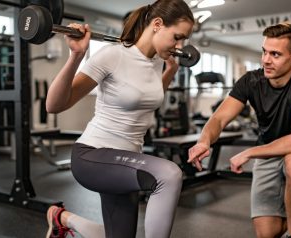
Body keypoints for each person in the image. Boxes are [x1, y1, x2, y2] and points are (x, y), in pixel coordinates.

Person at [45, 1, 194, 238]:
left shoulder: (157, 62)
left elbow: (147, 97)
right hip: (93, 155)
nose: (180, 46)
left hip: (127, 162)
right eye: (177, 37)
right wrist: (76, 56)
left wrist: (170, 72)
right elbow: (54, 105)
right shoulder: (113, 55)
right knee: (169, 174)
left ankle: (63, 219)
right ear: (157, 25)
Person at [188, 22, 291, 238]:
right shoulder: (251, 81)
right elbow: (219, 118)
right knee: (267, 234)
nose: (265, 60)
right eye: (264, 51)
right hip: (267, 154)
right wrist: (204, 141)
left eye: (275, 54)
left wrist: (248, 152)